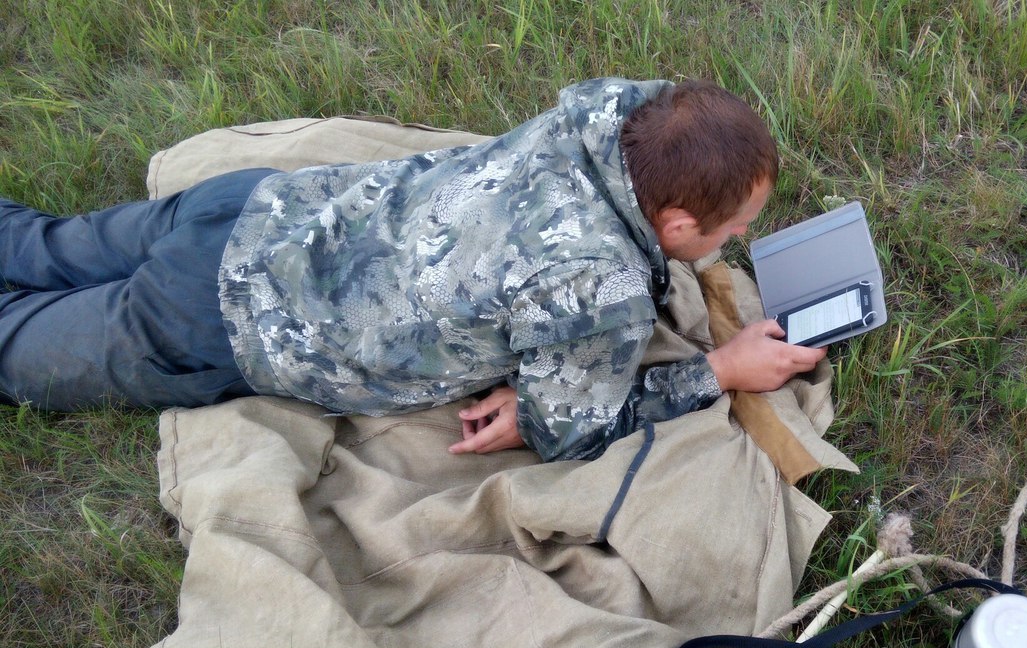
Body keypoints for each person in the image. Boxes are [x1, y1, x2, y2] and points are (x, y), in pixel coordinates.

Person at [0, 77, 826, 462]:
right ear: (676, 223)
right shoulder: (597, 284)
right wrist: (719, 368)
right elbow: (580, 429)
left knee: (43, 244)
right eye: (740, 222)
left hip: (246, 207)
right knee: (18, 348)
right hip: (220, 319)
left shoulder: (611, 114)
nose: (746, 233)